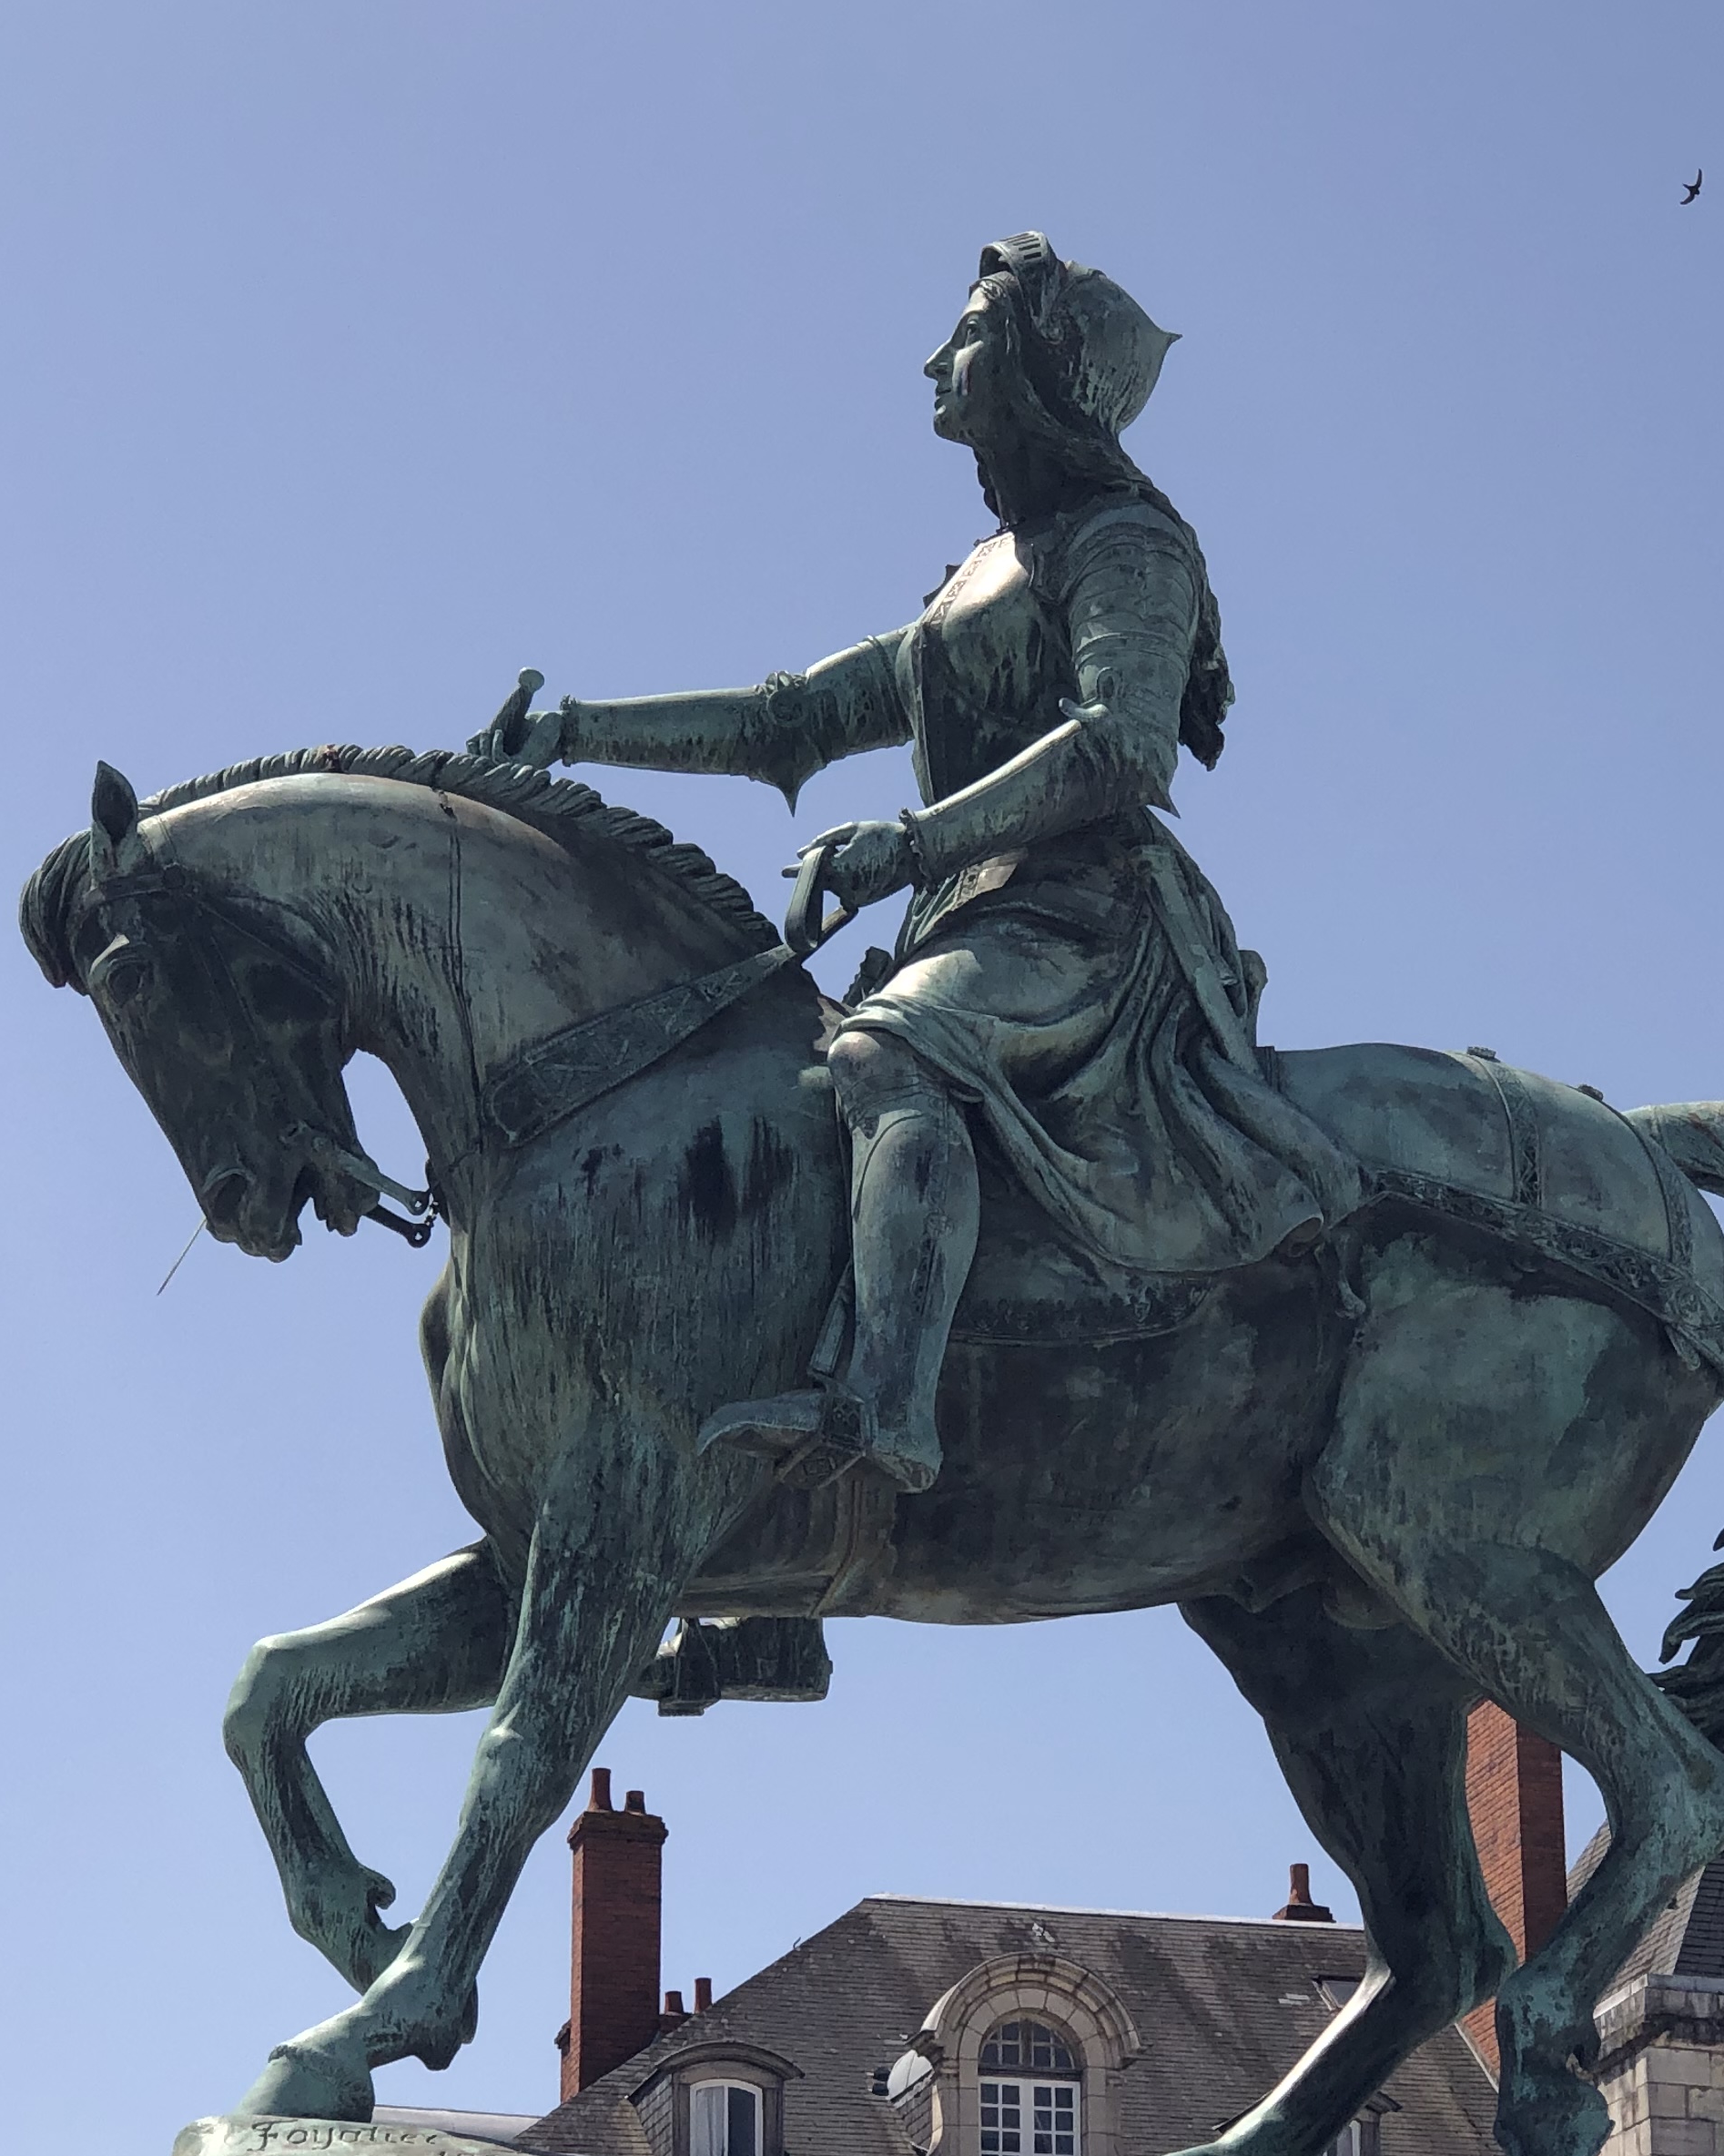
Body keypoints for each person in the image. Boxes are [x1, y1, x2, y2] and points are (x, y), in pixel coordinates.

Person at [472, 234, 1357, 1491]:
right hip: (973, 916)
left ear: (1048, 375)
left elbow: (1122, 744)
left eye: (974, 334)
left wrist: (914, 842)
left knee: (885, 1053)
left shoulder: (1129, 546)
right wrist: (577, 733)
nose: (938, 359)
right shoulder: (981, 578)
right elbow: (789, 719)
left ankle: (886, 1407)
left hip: (1087, 918)